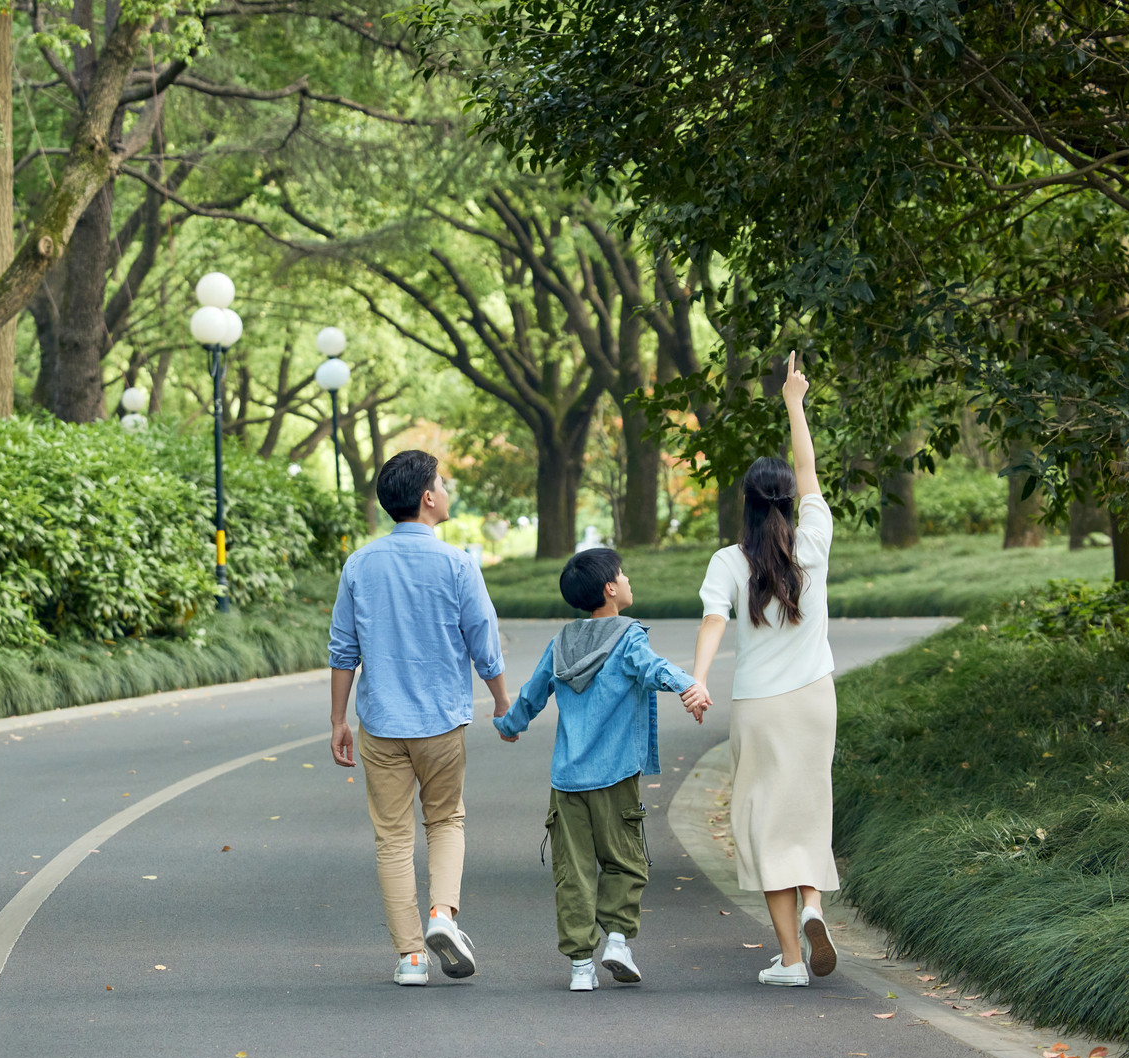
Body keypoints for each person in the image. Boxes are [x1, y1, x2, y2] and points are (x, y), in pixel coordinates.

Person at [330, 450, 510, 987]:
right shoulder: (458, 564)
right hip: (440, 722)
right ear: (428, 498)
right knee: (446, 819)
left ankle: (410, 958)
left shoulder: (360, 564)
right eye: (443, 482)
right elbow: (484, 641)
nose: (447, 489)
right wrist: (502, 702)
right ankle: (442, 916)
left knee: (392, 837)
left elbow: (344, 649)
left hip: (380, 723)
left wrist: (338, 719)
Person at [494, 550, 711, 990]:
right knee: (626, 862)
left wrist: (509, 724)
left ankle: (579, 968)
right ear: (610, 589)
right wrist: (689, 684)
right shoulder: (629, 637)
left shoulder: (561, 643)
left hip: (567, 783)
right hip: (615, 777)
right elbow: (653, 670)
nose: (628, 579)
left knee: (572, 872)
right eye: (623, 574)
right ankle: (615, 940)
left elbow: (533, 694)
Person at [690, 352, 840, 987]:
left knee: (762, 824)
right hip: (814, 702)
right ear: (787, 501)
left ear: (745, 502)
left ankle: (788, 961)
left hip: (759, 706)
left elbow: (714, 624)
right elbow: (807, 470)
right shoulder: (813, 542)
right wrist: (794, 402)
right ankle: (813, 905)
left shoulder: (730, 561)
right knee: (808, 812)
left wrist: (698, 680)